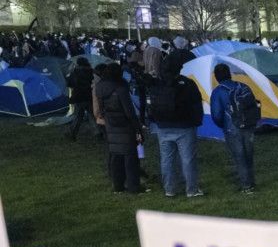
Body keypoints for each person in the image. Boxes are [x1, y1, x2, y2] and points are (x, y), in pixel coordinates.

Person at [148, 55, 205, 198]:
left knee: (166, 159)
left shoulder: (156, 84)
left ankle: (169, 189)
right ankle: (191, 189)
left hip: (163, 126)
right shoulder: (188, 84)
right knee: (188, 159)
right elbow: (197, 104)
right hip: (185, 126)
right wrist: (196, 121)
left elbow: (152, 104)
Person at [209, 63, 258, 194]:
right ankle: (251, 181)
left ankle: (246, 185)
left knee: (239, 156)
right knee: (248, 154)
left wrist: (223, 125)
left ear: (216, 77)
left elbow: (216, 114)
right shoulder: (243, 86)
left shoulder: (218, 92)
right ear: (229, 73)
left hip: (231, 127)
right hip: (248, 124)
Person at [94, 63, 143, 194]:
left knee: (116, 156)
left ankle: (118, 186)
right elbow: (129, 112)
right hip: (125, 126)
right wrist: (138, 128)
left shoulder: (99, 87)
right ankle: (133, 187)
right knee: (130, 158)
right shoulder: (120, 88)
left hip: (110, 124)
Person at [65, 57, 96, 141]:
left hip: (78, 96)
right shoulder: (92, 71)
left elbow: (69, 84)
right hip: (89, 96)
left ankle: (72, 133)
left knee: (78, 116)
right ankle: (98, 132)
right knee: (92, 115)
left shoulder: (75, 72)